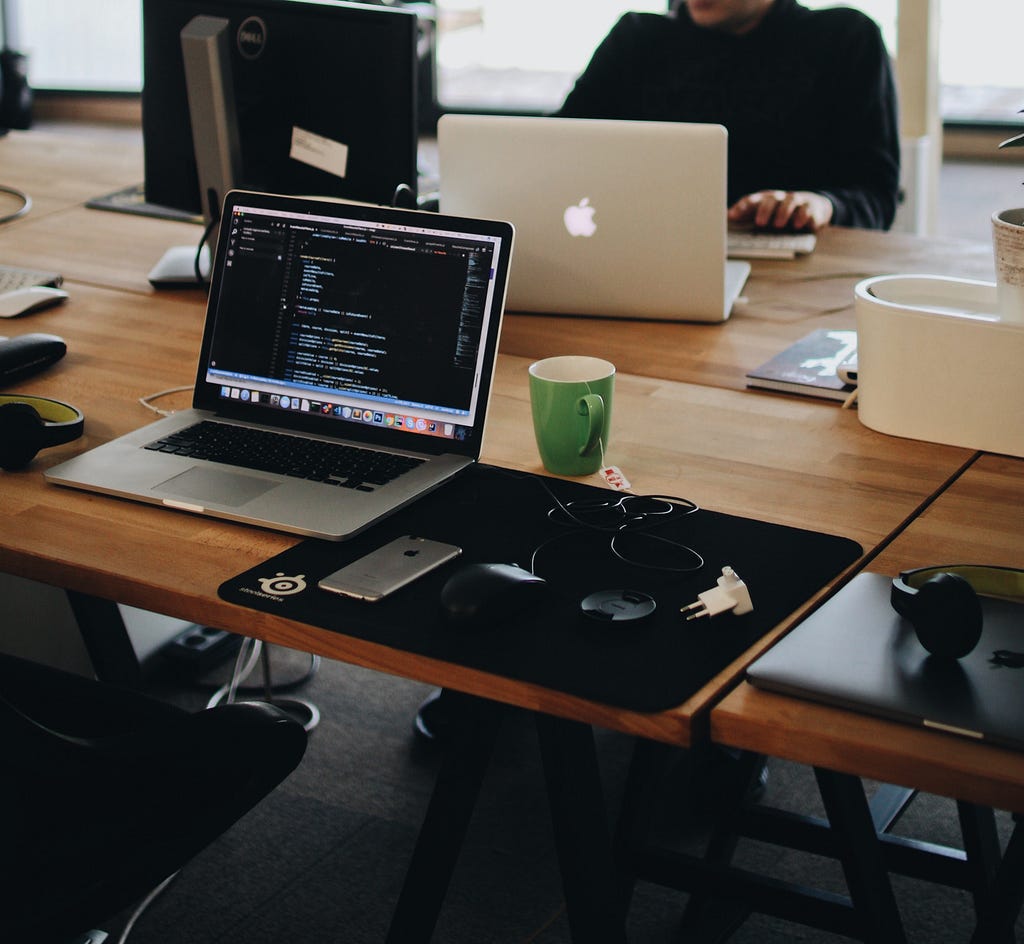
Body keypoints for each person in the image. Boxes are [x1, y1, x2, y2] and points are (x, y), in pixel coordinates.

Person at [554, 0, 901, 232]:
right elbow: (553, 151)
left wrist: (823, 205)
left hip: (792, 285)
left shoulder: (846, 40)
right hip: (639, 265)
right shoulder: (636, 39)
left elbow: (876, 196)